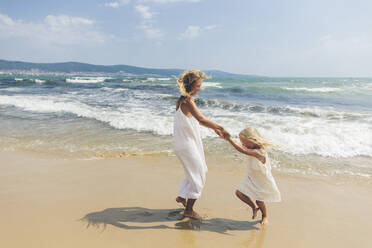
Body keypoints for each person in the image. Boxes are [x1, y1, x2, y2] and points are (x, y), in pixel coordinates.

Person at [173, 69, 229, 220]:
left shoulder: (181, 99)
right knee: (199, 175)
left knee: (196, 171)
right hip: (186, 144)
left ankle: (182, 197)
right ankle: (189, 210)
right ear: (191, 86)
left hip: (183, 143)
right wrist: (221, 128)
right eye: (198, 85)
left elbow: (191, 122)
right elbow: (201, 120)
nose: (200, 88)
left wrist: (216, 129)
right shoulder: (187, 100)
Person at [225, 126, 281, 225]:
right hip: (251, 176)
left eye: (245, 142)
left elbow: (243, 151)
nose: (243, 144)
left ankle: (265, 216)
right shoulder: (252, 147)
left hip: (261, 179)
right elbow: (243, 148)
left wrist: (229, 139)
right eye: (242, 142)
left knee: (259, 200)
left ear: (252, 140)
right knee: (239, 193)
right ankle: (254, 207)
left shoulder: (259, 151)